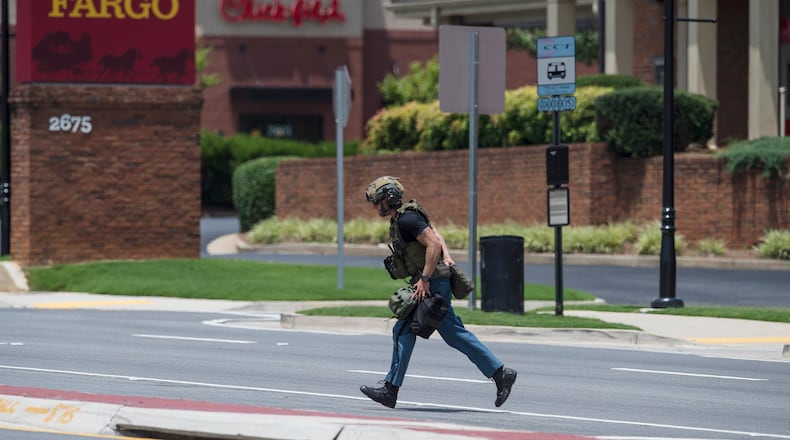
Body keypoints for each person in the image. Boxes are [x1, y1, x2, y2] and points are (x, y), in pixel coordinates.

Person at [359, 176, 517, 409]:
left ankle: (390, 390)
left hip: (431, 283)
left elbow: (431, 242)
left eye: (377, 201)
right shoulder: (406, 217)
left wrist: (424, 278)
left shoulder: (408, 219)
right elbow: (434, 232)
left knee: (402, 330)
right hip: (434, 281)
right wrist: (446, 255)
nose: (375, 207)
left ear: (389, 198)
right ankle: (500, 373)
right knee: (453, 334)